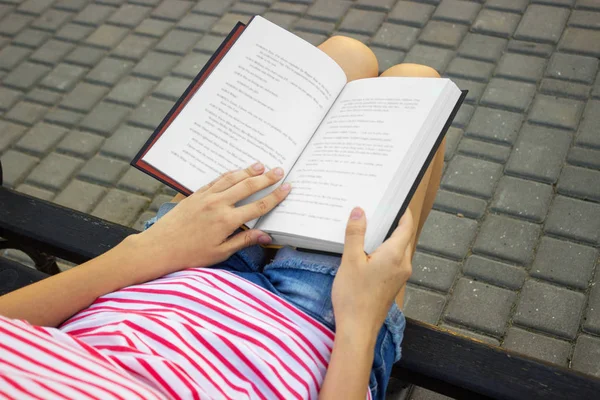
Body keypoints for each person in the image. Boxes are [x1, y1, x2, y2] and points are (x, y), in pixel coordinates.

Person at [0, 36, 444, 400]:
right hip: (315, 335)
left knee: (343, 56)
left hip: (160, 274)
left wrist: (147, 251)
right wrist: (361, 325)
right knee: (418, 88)